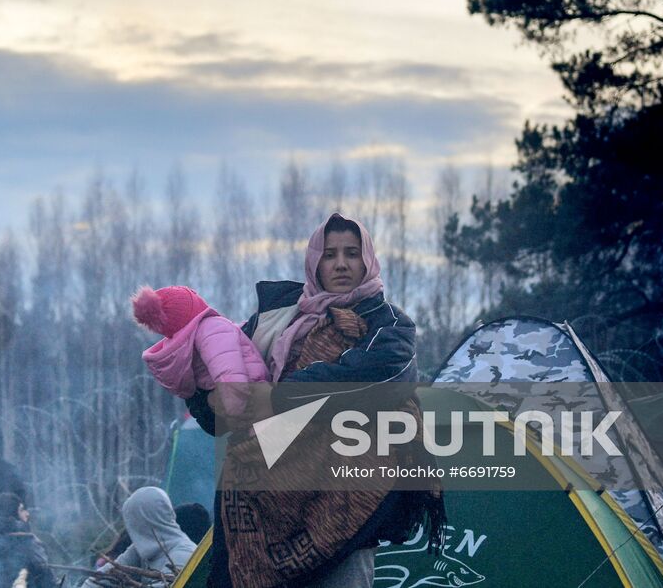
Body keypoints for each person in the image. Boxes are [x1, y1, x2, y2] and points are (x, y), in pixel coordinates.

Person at [186, 213, 445, 588]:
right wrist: (209, 400)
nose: (341, 263)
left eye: (352, 253)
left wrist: (279, 398)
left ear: (367, 260)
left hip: (345, 506)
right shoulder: (275, 322)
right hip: (265, 508)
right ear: (314, 262)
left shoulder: (388, 325)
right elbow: (223, 378)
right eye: (329, 254)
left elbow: (379, 379)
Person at [132, 285, 269, 418]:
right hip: (252, 401)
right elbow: (227, 371)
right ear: (191, 306)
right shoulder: (211, 327)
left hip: (225, 403)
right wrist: (238, 409)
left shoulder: (184, 344)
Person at [92, 487, 196, 583]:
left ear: (146, 519)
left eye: (134, 520)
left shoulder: (183, 554)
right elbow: (101, 578)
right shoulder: (141, 551)